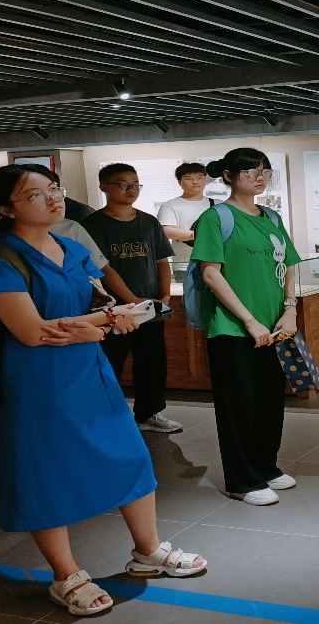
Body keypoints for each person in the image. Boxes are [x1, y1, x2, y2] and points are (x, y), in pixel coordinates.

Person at [0, 165, 205, 616]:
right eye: (36, 194)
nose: (53, 198)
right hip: (34, 380)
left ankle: (148, 550)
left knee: (130, 455)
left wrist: (100, 324)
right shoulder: (0, 261)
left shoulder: (70, 247)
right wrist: (105, 322)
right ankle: (66, 575)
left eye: (53, 188)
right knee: (45, 471)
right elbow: (32, 332)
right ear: (6, 209)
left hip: (88, 370)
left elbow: (99, 307)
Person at [190, 148, 301, 506]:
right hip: (233, 329)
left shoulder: (272, 217)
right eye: (251, 171)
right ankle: (241, 480)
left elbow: (289, 265)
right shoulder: (216, 218)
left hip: (275, 326)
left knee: (270, 401)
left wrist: (290, 308)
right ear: (228, 176)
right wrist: (249, 320)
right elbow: (211, 273)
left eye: (265, 170)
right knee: (238, 406)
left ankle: (265, 467)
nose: (260, 177)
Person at [81, 164, 181, 434]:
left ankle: (149, 413)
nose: (131, 189)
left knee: (152, 362)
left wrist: (164, 295)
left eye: (135, 184)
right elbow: (103, 268)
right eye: (123, 184)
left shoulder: (148, 221)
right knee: (109, 362)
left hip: (149, 307)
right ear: (104, 187)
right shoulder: (92, 225)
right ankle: (105, 416)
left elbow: (162, 260)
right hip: (111, 310)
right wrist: (131, 299)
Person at [158, 162, 213, 280]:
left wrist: (186, 235)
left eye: (200, 177)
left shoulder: (217, 204)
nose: (195, 182)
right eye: (189, 178)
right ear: (180, 182)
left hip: (214, 262)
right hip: (184, 265)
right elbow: (167, 231)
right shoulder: (170, 205)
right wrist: (204, 235)